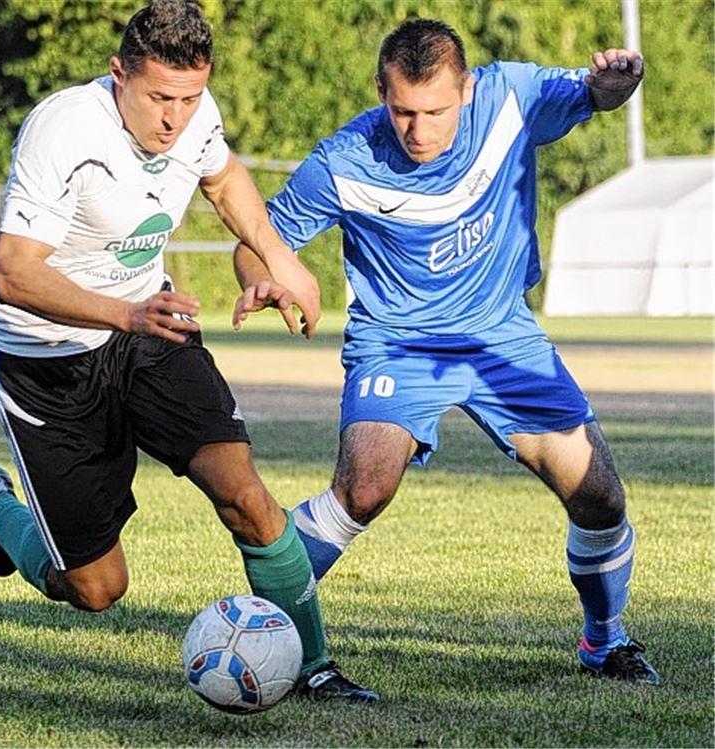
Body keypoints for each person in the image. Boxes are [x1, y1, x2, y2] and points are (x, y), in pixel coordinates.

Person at [233, 18, 660, 691]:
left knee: (601, 497)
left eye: (434, 111)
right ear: (381, 92)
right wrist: (262, 275)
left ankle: (605, 641)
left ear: (465, 90)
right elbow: (259, 235)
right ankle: (250, 628)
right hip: (396, 342)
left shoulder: (512, 96)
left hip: (501, 336)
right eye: (401, 110)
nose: (417, 130)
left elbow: (594, 92)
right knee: (363, 490)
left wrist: (617, 84)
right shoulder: (344, 159)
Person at [0, 0, 376, 702]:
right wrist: (124, 312)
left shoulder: (195, 114)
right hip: (45, 361)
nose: (175, 118)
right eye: (159, 97)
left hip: (150, 329)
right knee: (96, 588)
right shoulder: (63, 129)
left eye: (189, 98)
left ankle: (314, 665)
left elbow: (223, 179)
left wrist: (281, 260)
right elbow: (12, 272)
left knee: (245, 492)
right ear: (118, 74)